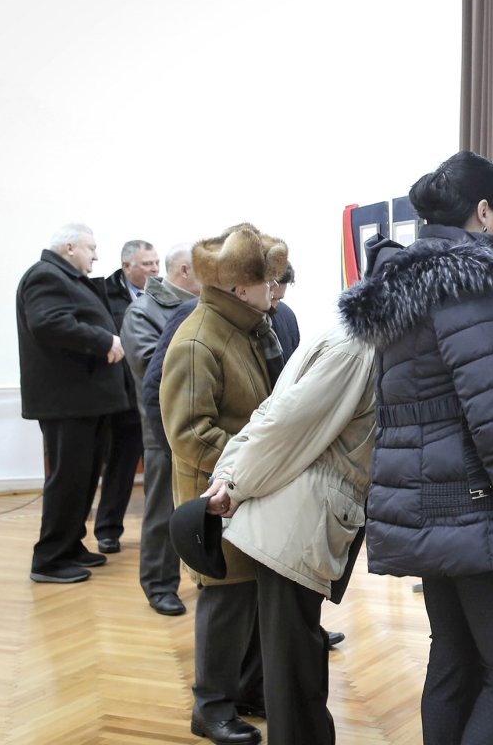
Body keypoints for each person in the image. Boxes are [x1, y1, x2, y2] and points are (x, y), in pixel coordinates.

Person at [339, 151, 493, 744]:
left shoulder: (410, 284)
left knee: (455, 663)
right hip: (481, 511)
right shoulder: (472, 286)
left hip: (437, 505)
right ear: (483, 211)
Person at [199, 288, 382, 745]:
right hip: (297, 519)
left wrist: (230, 474)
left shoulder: (344, 335)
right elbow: (284, 426)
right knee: (292, 665)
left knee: (293, 656)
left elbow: (273, 415)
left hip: (293, 516)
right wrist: (233, 483)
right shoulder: (355, 348)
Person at [161, 223, 288, 745]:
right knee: (225, 600)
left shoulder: (244, 328)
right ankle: (209, 708)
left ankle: (248, 691)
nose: (275, 288)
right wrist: (252, 466)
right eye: (267, 281)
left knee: (250, 596)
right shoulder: (198, 340)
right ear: (240, 288)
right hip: (216, 498)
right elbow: (189, 434)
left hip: (243, 490)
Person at [17, 223, 131, 583]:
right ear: (70, 247)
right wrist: (104, 340)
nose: (96, 255)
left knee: (82, 479)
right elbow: (47, 323)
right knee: (68, 480)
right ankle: (49, 559)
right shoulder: (45, 275)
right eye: (91, 248)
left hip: (84, 401)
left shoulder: (66, 277)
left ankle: (70, 545)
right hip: (67, 402)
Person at [121, 243, 200, 616]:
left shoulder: (201, 306)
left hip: (199, 424)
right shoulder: (142, 312)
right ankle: (158, 584)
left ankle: (203, 574)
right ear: (185, 270)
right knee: (161, 513)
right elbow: (151, 364)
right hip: (161, 429)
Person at [91, 239, 160, 554]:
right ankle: (107, 531)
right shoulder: (104, 293)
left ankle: (163, 532)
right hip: (123, 399)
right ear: (126, 266)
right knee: (120, 468)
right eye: (147, 264)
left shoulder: (163, 293)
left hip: (155, 396)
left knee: (159, 470)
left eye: (156, 262)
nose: (154, 269)